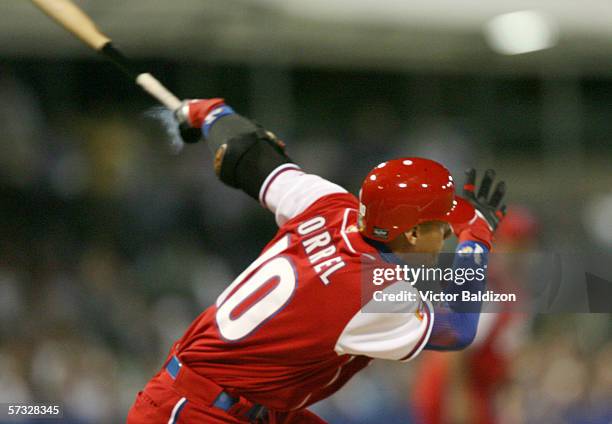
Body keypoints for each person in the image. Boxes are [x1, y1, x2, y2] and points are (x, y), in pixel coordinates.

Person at [127, 98, 507, 424]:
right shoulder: (372, 292)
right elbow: (457, 328)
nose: (448, 233)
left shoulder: (329, 204)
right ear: (408, 234)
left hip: (249, 404)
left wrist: (214, 114)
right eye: (441, 224)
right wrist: (476, 243)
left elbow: (252, 159)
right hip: (197, 411)